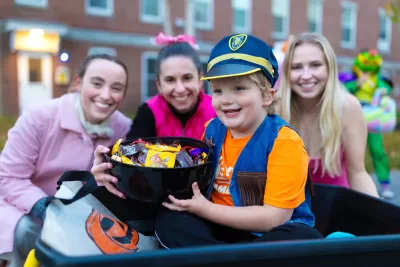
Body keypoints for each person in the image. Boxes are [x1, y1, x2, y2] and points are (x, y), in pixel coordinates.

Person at [153, 33, 323, 248]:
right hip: (219, 227)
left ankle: (216, 258)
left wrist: (205, 209)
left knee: (303, 238)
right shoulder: (212, 131)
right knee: (170, 218)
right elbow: (189, 169)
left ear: (267, 96)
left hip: (267, 233)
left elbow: (274, 217)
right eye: (218, 90)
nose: (226, 100)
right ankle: (227, 257)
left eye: (239, 88)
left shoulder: (284, 141)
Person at [0, 54, 131, 267]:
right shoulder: (38, 117)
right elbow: (7, 177)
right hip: (26, 206)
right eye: (97, 84)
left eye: (116, 88)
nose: (105, 95)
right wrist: (46, 208)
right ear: (78, 82)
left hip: (83, 214)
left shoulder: (124, 129)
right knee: (29, 231)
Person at [92, 33, 216, 198]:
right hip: (160, 197)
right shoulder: (148, 111)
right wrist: (107, 166)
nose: (180, 89)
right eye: (170, 80)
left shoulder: (217, 109)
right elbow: (129, 154)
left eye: (187, 78)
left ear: (200, 79)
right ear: (159, 84)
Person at [276, 32, 379, 198]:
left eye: (315, 65)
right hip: (285, 216)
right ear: (287, 72)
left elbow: (358, 173)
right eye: (296, 67)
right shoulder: (275, 109)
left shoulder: (347, 107)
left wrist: (379, 215)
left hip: (335, 215)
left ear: (330, 68)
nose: (306, 75)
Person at [339, 49, 396, 199]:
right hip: (353, 120)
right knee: (350, 151)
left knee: (377, 150)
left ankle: (384, 183)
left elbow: (387, 87)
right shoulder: (350, 78)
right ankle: (348, 183)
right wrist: (357, 84)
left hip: (373, 120)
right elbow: (342, 88)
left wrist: (383, 90)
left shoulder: (378, 80)